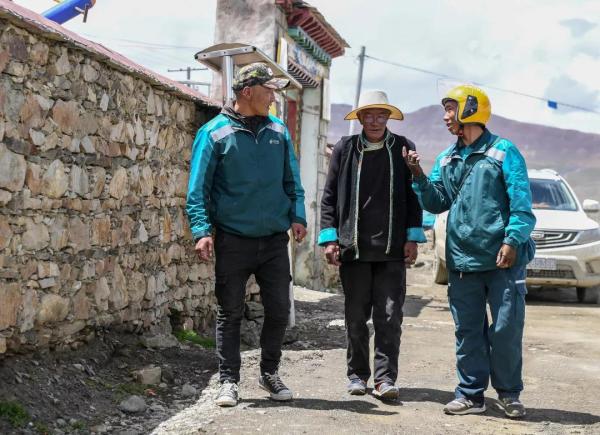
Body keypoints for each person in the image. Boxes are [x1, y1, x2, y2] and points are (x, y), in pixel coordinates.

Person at [404, 84, 536, 417]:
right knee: (468, 332)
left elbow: (522, 204)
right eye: (445, 111)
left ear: (471, 109)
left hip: (503, 260)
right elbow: (437, 202)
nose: (446, 117)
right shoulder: (447, 158)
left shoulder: (504, 152)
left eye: (450, 109)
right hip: (463, 260)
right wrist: (418, 176)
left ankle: (509, 394)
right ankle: (471, 394)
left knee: (505, 330)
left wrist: (512, 241)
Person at [186, 63, 307, 407]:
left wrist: (297, 215)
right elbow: (198, 188)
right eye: (269, 91)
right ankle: (229, 380)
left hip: (274, 240)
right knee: (230, 312)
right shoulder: (213, 133)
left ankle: (269, 373)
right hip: (233, 239)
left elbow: (292, 180)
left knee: (279, 309)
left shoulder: (279, 131)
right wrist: (201, 231)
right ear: (248, 92)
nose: (273, 98)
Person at [319, 90, 427, 401]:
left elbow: (414, 195)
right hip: (354, 248)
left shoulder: (403, 147)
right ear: (361, 118)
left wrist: (412, 237)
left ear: (388, 117)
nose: (375, 121)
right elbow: (329, 197)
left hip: (392, 248)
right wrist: (330, 238)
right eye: (369, 115)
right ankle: (357, 375)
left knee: (390, 317)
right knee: (355, 316)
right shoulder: (345, 148)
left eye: (381, 115)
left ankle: (385, 379)